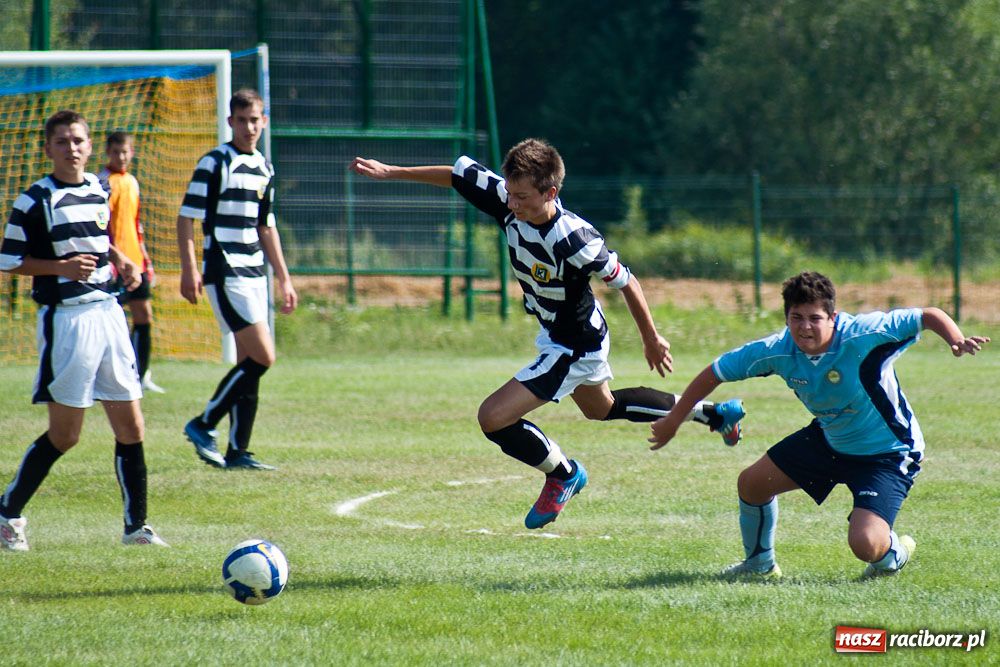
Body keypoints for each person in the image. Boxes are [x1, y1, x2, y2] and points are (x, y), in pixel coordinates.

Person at [349, 139, 746, 529]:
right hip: (561, 334)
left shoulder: (575, 239)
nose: (512, 203)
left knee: (493, 417)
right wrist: (391, 172)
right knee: (601, 408)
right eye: (510, 193)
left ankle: (563, 474)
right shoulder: (509, 199)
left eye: (522, 197)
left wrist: (651, 338)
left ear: (550, 193)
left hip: (576, 344)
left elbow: (627, 281)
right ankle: (714, 414)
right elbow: (457, 175)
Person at [649, 271, 990, 578]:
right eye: (796, 318)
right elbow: (716, 372)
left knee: (865, 545)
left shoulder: (864, 334)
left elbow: (927, 315)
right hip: (830, 440)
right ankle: (759, 565)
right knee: (752, 484)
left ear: (833, 317)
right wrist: (674, 420)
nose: (805, 327)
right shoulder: (778, 350)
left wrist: (955, 339)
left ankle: (895, 553)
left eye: (815, 318)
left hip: (887, 452)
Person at [0, 109, 168, 550]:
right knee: (65, 435)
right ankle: (7, 513)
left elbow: (100, 240)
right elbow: (9, 260)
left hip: (109, 313)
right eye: (62, 142)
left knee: (131, 426)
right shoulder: (34, 200)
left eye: (78, 140)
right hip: (68, 322)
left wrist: (122, 259)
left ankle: (136, 528)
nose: (71, 149)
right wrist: (60, 267)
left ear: (90, 146)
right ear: (48, 149)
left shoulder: (98, 187)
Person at [177, 88, 298, 471]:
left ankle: (237, 451)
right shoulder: (215, 162)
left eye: (255, 120)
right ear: (230, 122)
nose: (249, 127)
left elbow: (266, 227)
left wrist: (284, 279)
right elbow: (186, 217)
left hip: (254, 273)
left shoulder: (264, 167)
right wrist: (189, 268)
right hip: (224, 269)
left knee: (250, 362)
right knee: (264, 357)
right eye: (242, 120)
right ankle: (203, 423)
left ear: (264, 122)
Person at [98, 130, 165, 394]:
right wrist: (111, 259)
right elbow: (101, 227)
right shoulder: (102, 183)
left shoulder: (132, 182)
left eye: (125, 152)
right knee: (112, 322)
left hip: (136, 263)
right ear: (108, 153)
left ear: (132, 152)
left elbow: (136, 225)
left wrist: (145, 259)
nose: (121, 157)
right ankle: (112, 375)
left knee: (144, 315)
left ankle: (141, 374)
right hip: (115, 265)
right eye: (116, 152)